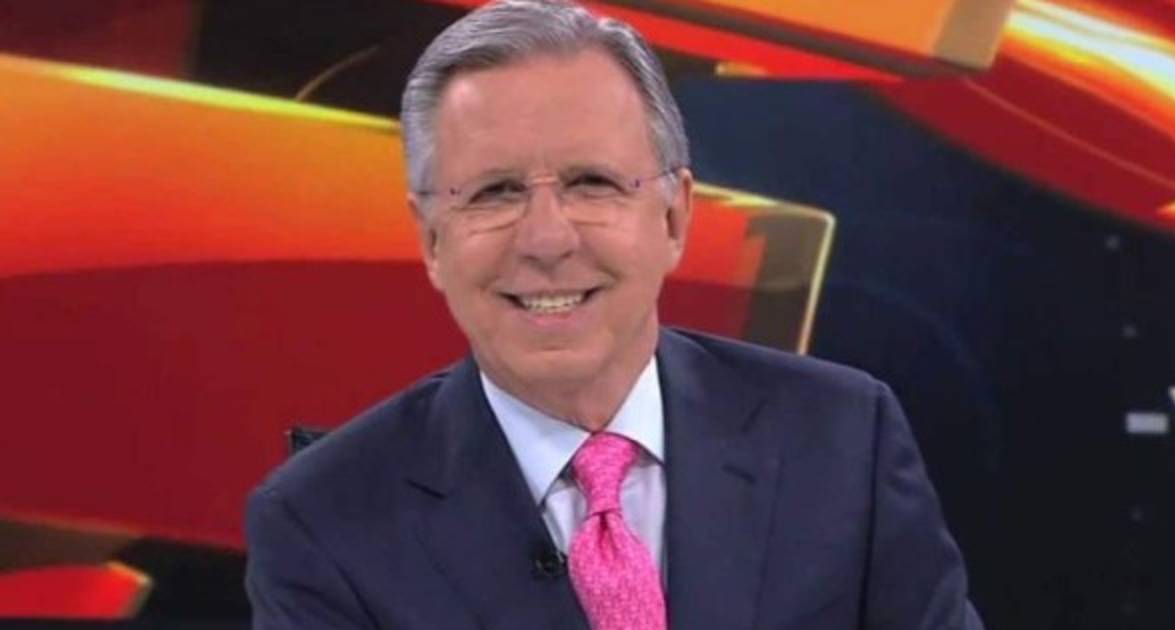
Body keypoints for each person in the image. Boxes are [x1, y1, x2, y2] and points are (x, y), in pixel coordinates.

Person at [244, 1, 984, 628]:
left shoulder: (844, 441)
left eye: (591, 183)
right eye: (495, 192)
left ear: (673, 217)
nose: (546, 239)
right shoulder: (321, 524)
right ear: (433, 240)